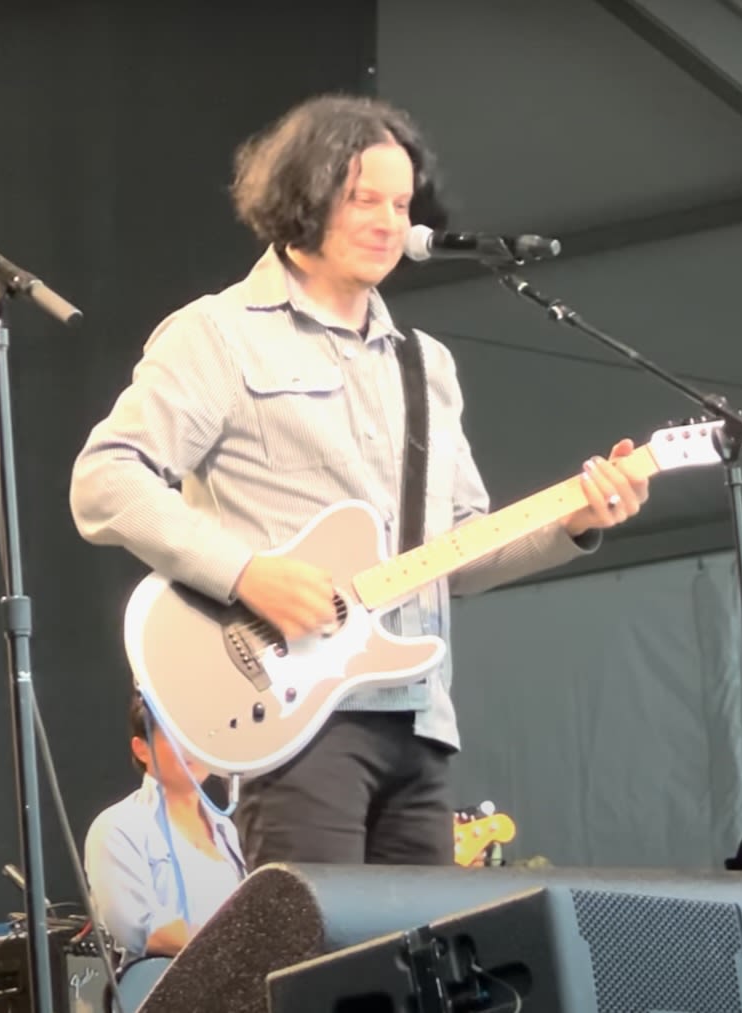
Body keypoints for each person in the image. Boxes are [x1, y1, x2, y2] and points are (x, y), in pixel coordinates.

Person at [71, 95, 649, 868]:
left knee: (417, 979)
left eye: (402, 202)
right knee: (317, 972)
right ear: (302, 199)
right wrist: (247, 573)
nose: (390, 221)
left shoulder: (427, 365)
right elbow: (105, 479)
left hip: (420, 721)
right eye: (363, 198)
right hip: (292, 717)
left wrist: (578, 520)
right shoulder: (217, 335)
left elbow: (460, 552)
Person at [85, 693, 247, 967]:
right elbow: (136, 929)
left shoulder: (225, 829)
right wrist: (242, 945)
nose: (190, 748)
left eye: (197, 735)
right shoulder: (118, 827)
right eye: (175, 735)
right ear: (141, 749)